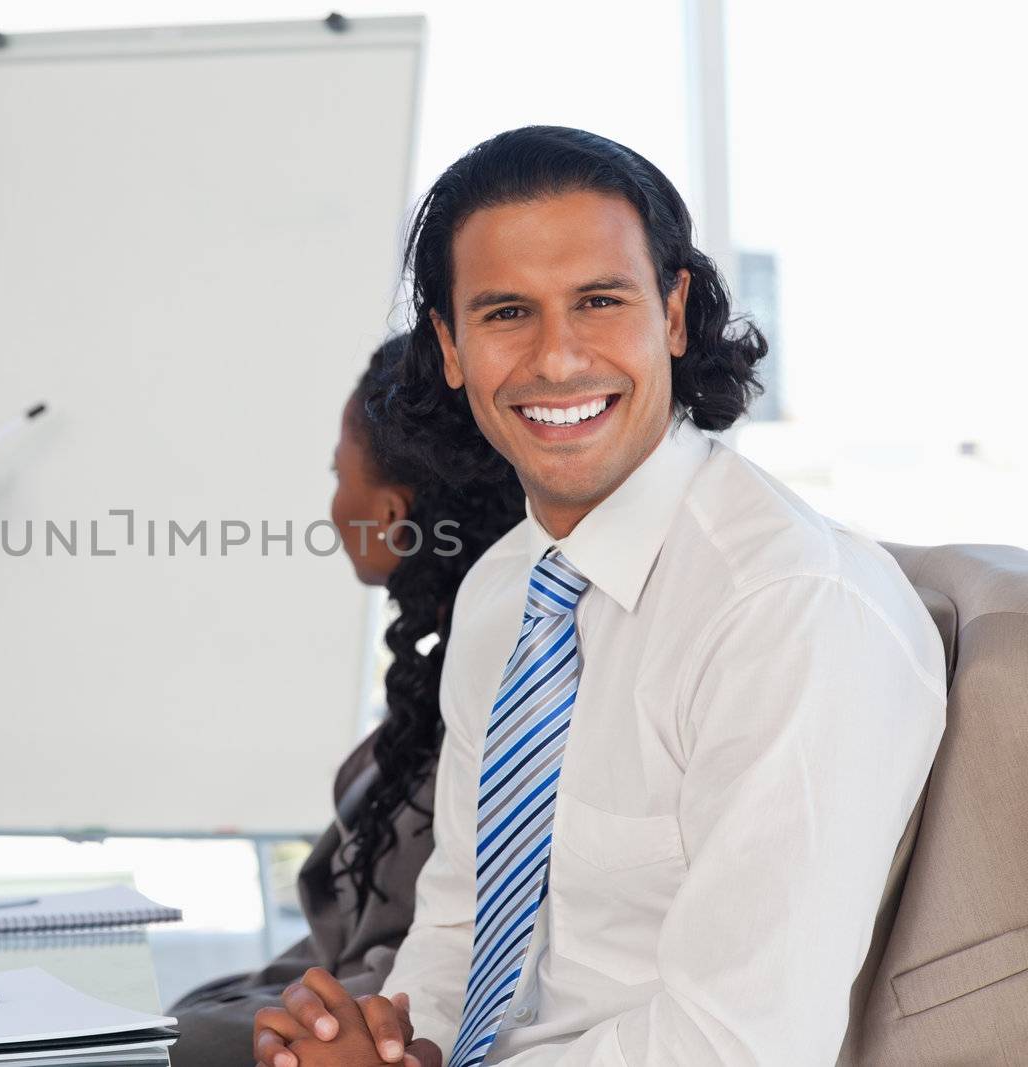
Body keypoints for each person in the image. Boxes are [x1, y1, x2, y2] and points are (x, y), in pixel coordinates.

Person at [253, 126, 946, 1065]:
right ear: (451, 347)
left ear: (673, 312)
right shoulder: (505, 589)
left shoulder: (785, 610)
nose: (557, 359)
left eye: (599, 301)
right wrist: (382, 1039)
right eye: (505, 314)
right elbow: (457, 921)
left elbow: (742, 1044)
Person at [166, 335, 525, 1064]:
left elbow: (416, 968)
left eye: (338, 472)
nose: (332, 501)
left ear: (391, 512)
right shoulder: (458, 672)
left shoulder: (505, 695)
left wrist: (188, 1028)